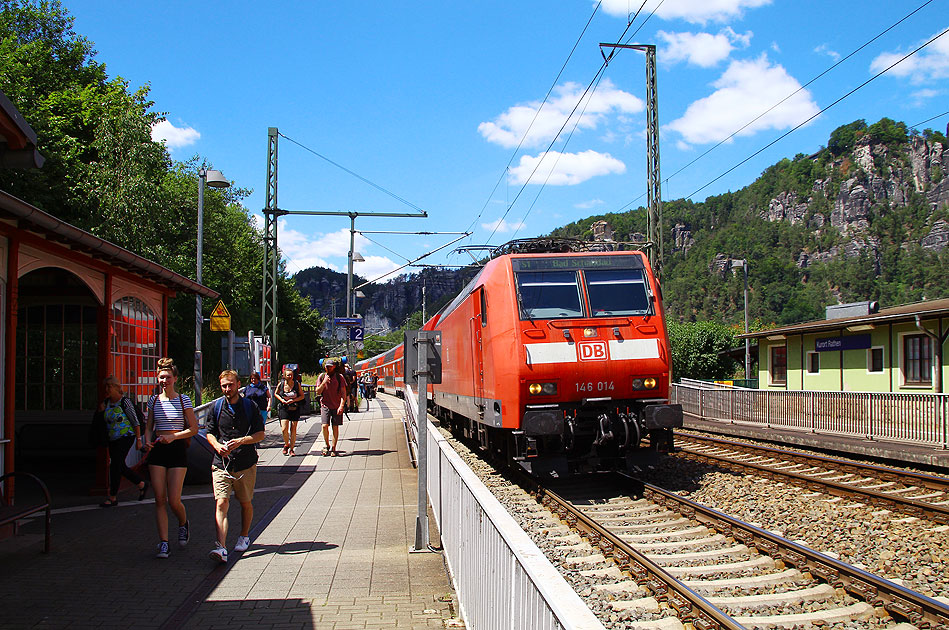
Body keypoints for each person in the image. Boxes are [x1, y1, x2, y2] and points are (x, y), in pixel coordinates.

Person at [206, 370, 266, 564]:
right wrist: (217, 446)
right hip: (221, 463)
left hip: (245, 463)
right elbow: (210, 432)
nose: (227, 389)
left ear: (238, 384)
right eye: (224, 385)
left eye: (230, 385)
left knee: (245, 502)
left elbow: (260, 434)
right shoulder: (215, 408)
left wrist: (241, 441)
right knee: (221, 503)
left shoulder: (250, 407)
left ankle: (244, 535)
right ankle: (221, 547)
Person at [142, 357, 198, 559]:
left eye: (167, 377)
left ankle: (183, 523)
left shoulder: (184, 400)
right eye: (161, 377)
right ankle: (163, 542)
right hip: (158, 451)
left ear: (175, 378)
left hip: (176, 450)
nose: (164, 381)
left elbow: (193, 429)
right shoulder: (154, 400)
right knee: (159, 499)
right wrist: (147, 441)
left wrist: (173, 437)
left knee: (174, 500)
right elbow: (149, 427)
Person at [96, 376, 147, 507]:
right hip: (112, 438)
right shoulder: (105, 404)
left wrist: (139, 440)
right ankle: (141, 484)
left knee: (115, 465)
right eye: (105, 387)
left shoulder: (125, 402)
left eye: (109, 387)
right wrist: (100, 413)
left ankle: (112, 497)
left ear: (117, 388)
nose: (107, 390)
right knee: (119, 465)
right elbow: (101, 423)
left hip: (126, 437)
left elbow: (135, 421)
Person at [315, 358, 347, 456]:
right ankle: (327, 445)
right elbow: (318, 391)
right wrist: (324, 382)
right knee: (324, 426)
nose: (328, 368)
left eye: (330, 366)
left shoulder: (339, 377)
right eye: (327, 367)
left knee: (335, 427)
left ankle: (333, 447)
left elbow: (343, 393)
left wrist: (341, 406)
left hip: (336, 405)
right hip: (325, 405)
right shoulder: (322, 376)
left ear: (334, 367)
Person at [274, 366, 304, 456]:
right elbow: (276, 393)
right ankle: (286, 444)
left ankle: (292, 449)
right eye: (288, 375)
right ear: (284, 376)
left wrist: (294, 400)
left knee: (293, 429)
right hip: (284, 407)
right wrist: (282, 400)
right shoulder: (281, 384)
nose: (290, 377)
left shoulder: (296, 384)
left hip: (294, 408)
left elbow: (302, 396)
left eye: (291, 375)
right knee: (284, 428)